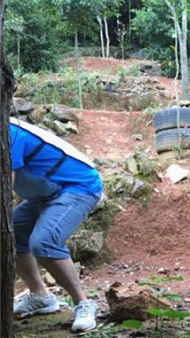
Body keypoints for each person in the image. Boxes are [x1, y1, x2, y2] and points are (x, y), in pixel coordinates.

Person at [10, 117, 103, 333]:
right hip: (44, 194)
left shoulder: (9, 132)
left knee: (43, 241)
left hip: (78, 186)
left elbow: (7, 178)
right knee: (9, 234)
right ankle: (41, 297)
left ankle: (84, 304)